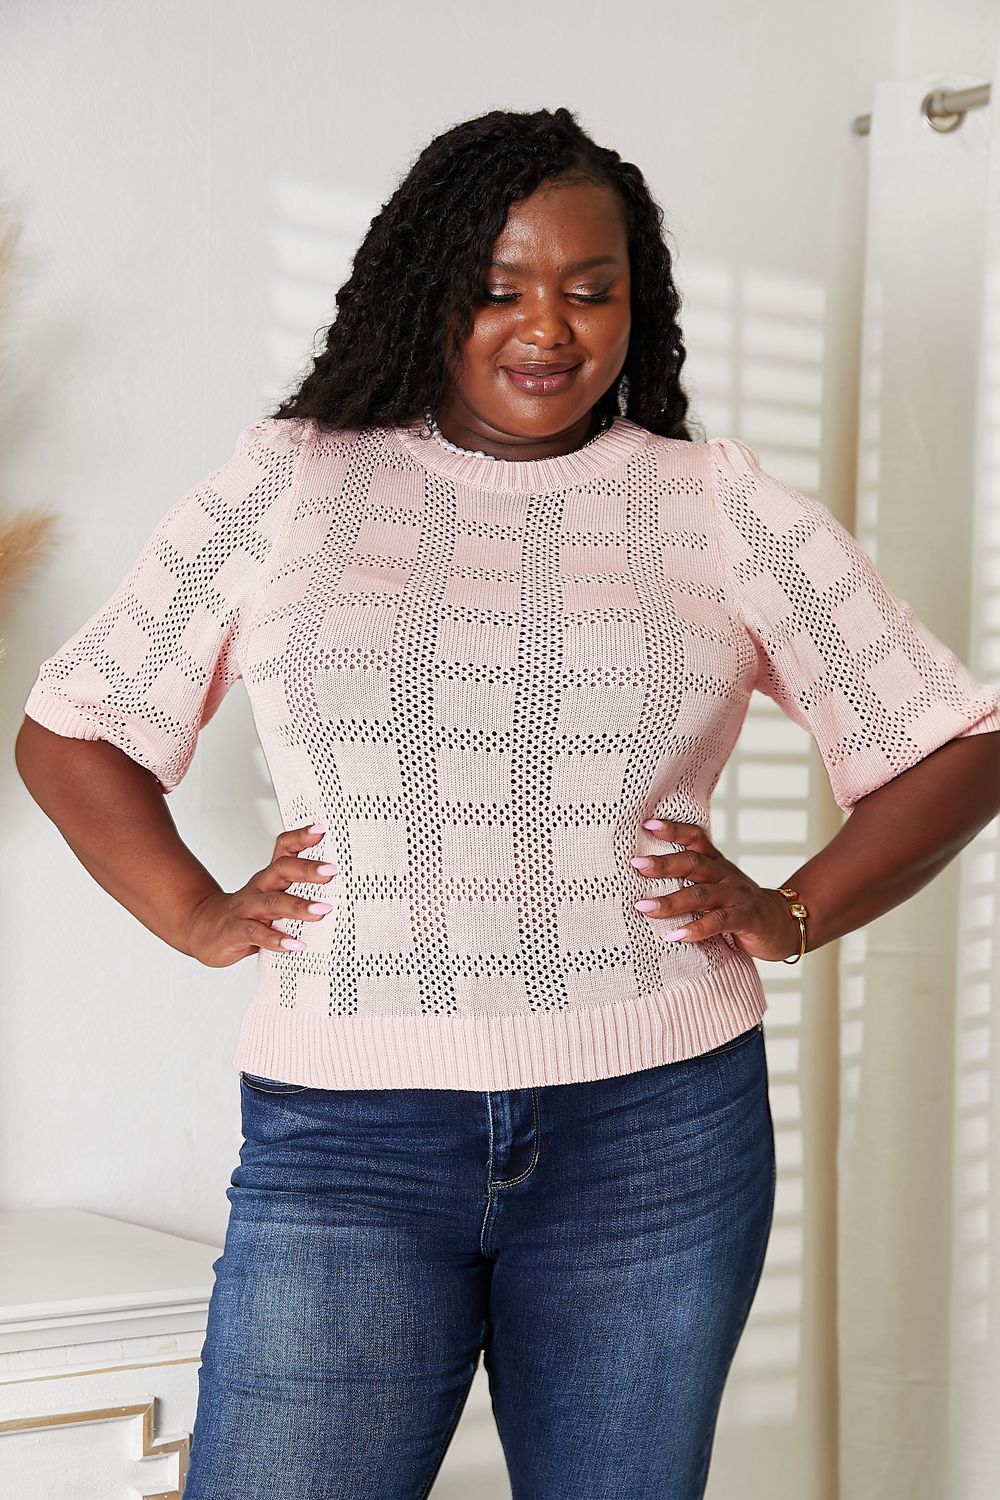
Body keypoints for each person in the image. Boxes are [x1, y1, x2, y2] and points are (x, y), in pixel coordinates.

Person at [15, 105, 1000, 1500]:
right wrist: (191, 909)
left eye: (591, 292)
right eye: (499, 288)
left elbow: (954, 738)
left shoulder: (710, 502)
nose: (549, 328)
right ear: (428, 290)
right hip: (348, 1132)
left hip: (655, 1131)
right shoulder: (297, 479)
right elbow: (76, 726)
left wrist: (787, 907)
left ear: (633, 307)